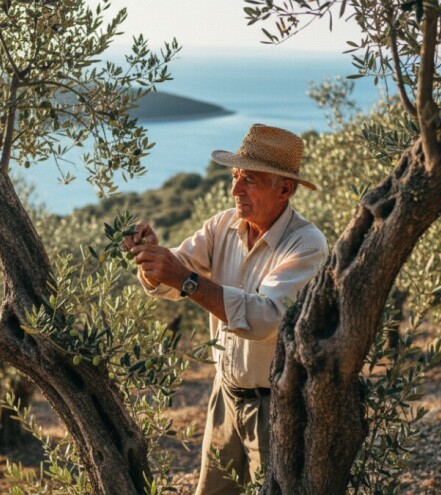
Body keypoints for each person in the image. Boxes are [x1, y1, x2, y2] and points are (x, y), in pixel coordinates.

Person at [122, 124, 328, 494]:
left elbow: (266, 318)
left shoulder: (307, 245)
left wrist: (186, 280)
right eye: (235, 176)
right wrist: (152, 258)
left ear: (284, 189)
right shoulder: (223, 225)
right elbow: (175, 271)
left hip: (276, 408)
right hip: (224, 397)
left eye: (249, 179)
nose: (235, 190)